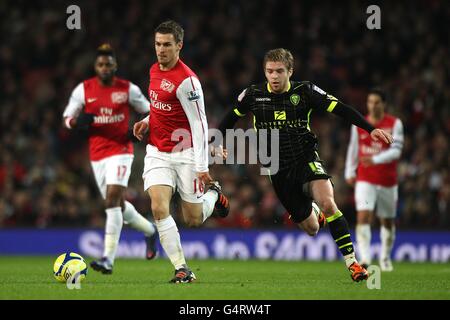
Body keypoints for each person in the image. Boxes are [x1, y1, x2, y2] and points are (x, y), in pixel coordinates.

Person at [217, 48, 393, 282]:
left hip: (306, 158)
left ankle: (353, 264)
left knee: (329, 202)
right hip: (277, 168)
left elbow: (341, 109)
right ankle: (315, 213)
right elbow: (230, 118)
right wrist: (217, 142)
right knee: (311, 229)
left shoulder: (306, 91)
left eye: (280, 71)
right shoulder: (253, 95)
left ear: (290, 71)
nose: (274, 76)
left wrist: (371, 129)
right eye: (270, 71)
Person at [133, 20, 229, 284]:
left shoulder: (188, 81)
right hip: (158, 152)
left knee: (193, 219)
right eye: (157, 44)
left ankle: (213, 196)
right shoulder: (154, 70)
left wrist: (202, 167)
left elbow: (199, 125)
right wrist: (147, 120)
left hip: (186, 153)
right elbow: (159, 106)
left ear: (179, 46)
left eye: (167, 45)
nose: (161, 50)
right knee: (158, 207)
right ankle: (182, 268)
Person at [62, 44, 158, 274]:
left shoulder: (127, 89)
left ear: (115, 66)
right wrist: (76, 122)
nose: (105, 68)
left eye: (108, 64)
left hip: (121, 150)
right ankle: (150, 230)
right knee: (118, 205)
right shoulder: (83, 90)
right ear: (95, 67)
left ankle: (107, 258)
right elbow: (67, 117)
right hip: (97, 155)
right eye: (100, 64)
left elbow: (151, 111)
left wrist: (139, 128)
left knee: (112, 199)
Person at [345, 88, 403, 272]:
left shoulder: (395, 123)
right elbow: (353, 149)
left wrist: (375, 159)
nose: (373, 105)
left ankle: (385, 257)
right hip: (365, 178)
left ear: (383, 104)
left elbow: (396, 150)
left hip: (387, 180)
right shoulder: (360, 123)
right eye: (370, 102)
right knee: (363, 216)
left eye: (376, 102)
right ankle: (365, 258)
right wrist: (349, 171)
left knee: (387, 221)